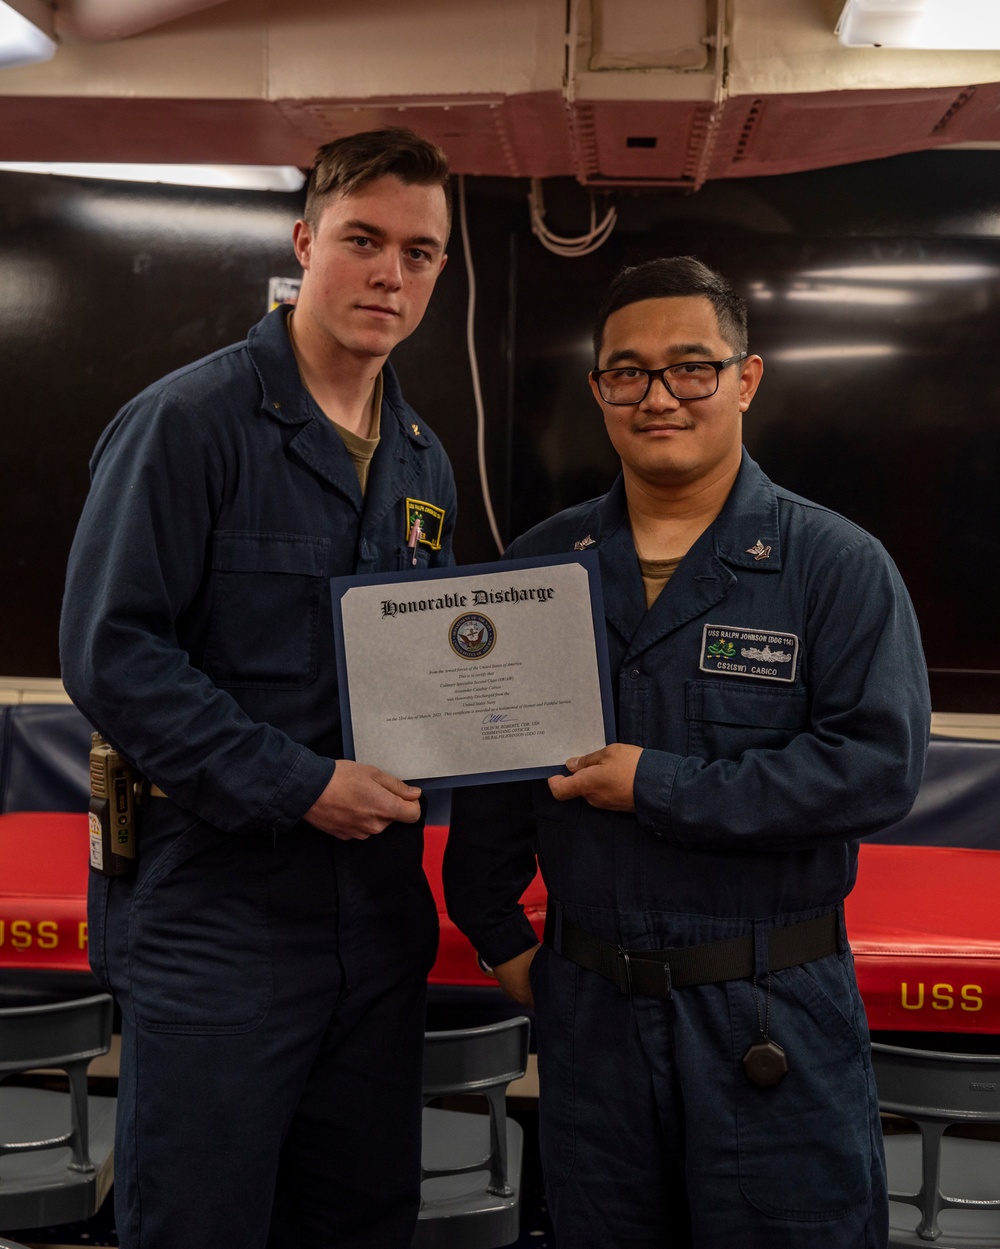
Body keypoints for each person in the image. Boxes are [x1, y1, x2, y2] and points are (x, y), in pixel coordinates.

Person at [443, 256, 930, 1249]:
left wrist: (655, 784)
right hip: (592, 1023)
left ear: (744, 379)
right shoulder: (540, 568)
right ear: (598, 391)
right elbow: (489, 774)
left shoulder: (833, 566)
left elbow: (874, 769)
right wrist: (504, 940)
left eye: (691, 368)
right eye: (628, 372)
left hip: (769, 1016)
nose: (659, 395)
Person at [60, 128, 455, 1249]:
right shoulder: (188, 423)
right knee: (202, 1220)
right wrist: (296, 785)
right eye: (363, 240)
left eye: (420, 253)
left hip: (376, 917)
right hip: (218, 910)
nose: (390, 273)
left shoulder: (424, 458)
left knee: (360, 1215)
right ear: (304, 243)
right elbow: (112, 651)